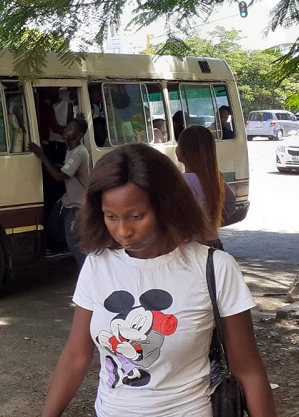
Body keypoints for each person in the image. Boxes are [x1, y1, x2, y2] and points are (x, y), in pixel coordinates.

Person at [41, 143, 276, 417]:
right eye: (111, 217)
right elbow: (76, 356)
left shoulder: (213, 268)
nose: (123, 231)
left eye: (136, 216)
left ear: (165, 205)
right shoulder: (98, 264)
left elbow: (248, 370)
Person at [29, 116, 90, 267]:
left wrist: (42, 156)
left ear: (79, 135)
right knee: (51, 225)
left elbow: (59, 177)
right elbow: (63, 168)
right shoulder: (70, 150)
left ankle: (87, 272)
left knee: (74, 242)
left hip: (77, 204)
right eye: (66, 127)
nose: (65, 130)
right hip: (67, 201)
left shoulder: (79, 153)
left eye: (70, 129)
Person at [177, 126, 236, 250]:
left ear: (184, 151)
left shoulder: (182, 181)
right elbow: (230, 203)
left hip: (191, 245)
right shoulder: (214, 179)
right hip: (213, 242)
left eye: (178, 144)